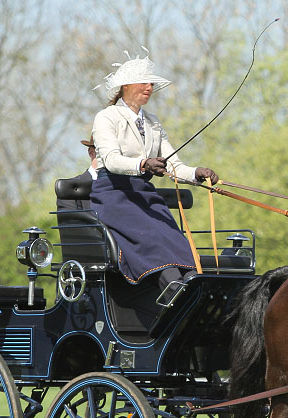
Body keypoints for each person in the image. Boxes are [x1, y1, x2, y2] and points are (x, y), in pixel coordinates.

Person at [90, 47, 219, 302]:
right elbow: (112, 160)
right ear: (126, 86)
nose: (149, 88)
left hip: (143, 195)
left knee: (179, 245)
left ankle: (193, 294)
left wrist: (197, 173)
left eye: (151, 83)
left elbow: (174, 165)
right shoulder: (106, 117)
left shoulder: (153, 122)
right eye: (144, 82)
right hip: (114, 195)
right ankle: (174, 296)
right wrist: (143, 164)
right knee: (155, 243)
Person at [55, 135, 99, 211]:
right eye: (105, 152)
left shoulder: (124, 185)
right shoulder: (67, 190)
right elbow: (71, 222)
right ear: (91, 152)